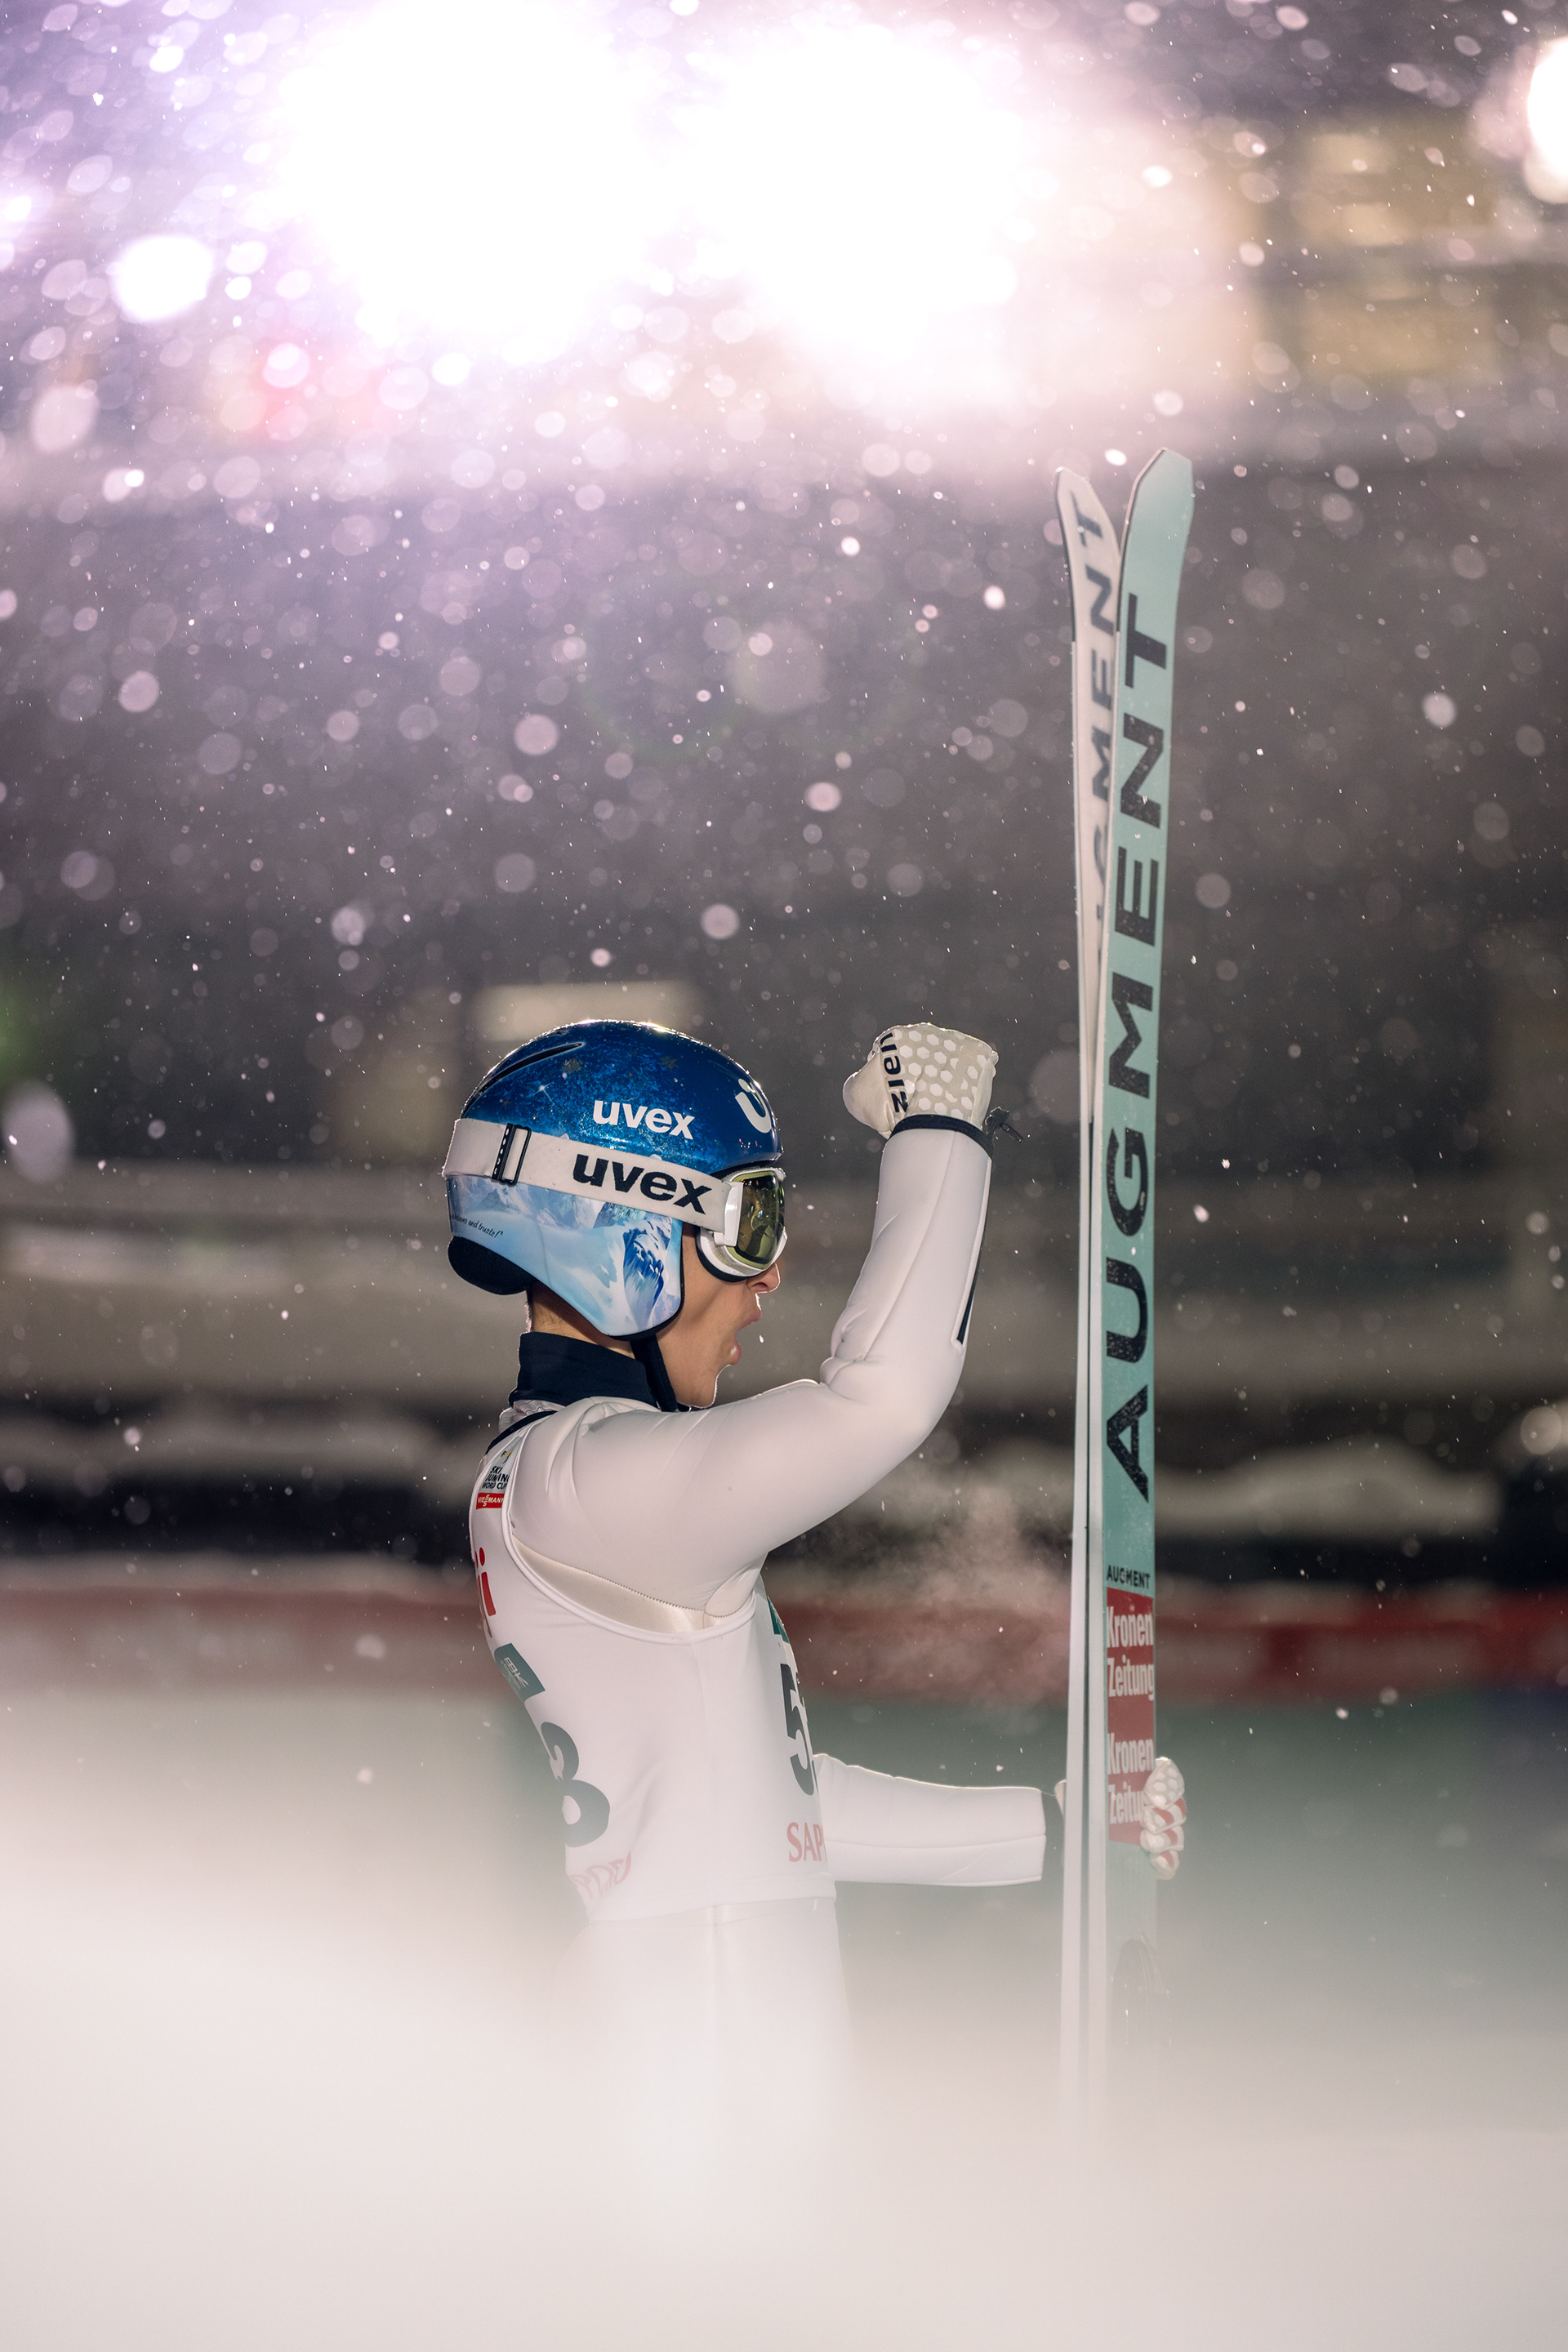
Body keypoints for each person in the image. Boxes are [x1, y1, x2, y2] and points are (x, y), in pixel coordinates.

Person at [443, 1017, 1180, 2131]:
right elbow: (879, 1401)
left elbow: (774, 1818)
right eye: (747, 1222)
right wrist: (936, 1130)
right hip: (716, 2037)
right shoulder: (590, 1480)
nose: (770, 1275)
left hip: (693, 2011)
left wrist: (1060, 1834)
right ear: (622, 1226)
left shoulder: (564, 1479)